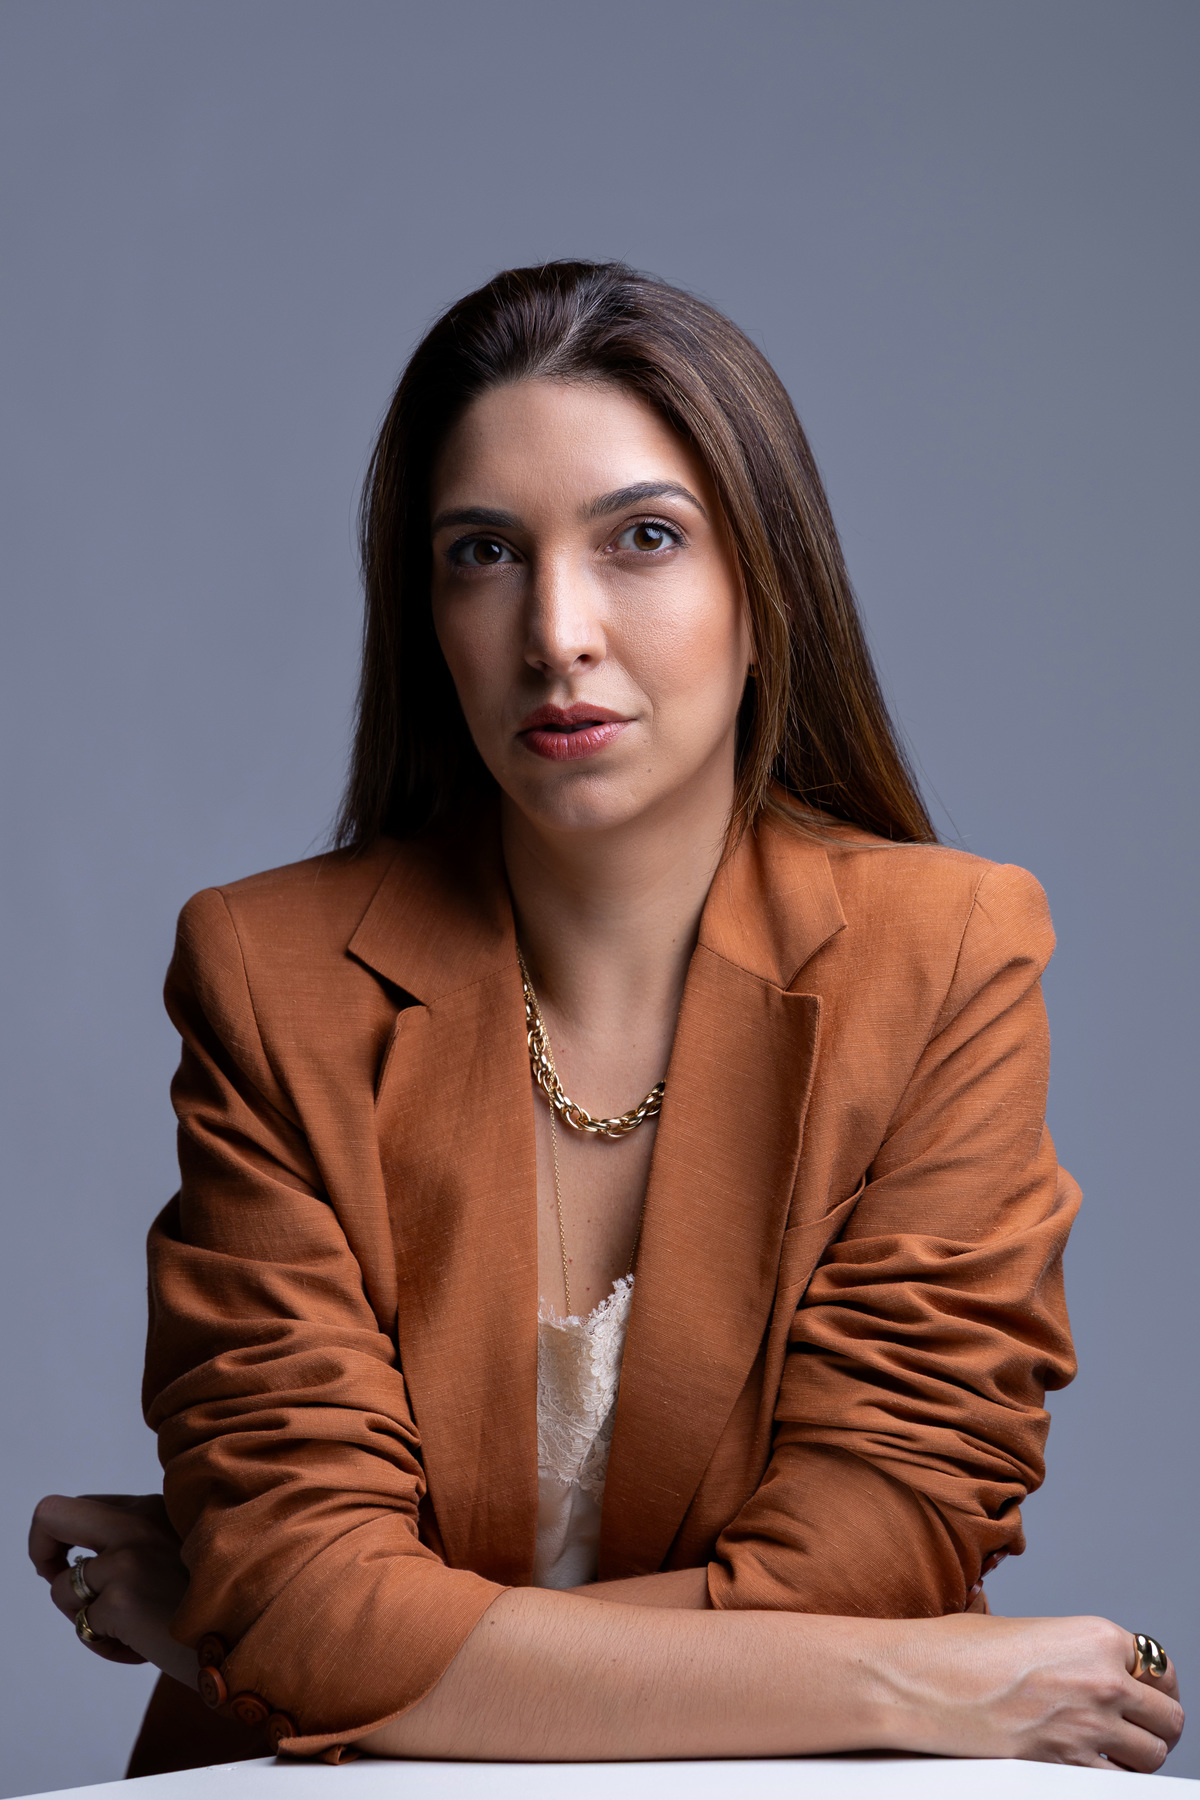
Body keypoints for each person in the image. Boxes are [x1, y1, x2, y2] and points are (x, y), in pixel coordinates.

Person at [30, 262, 1182, 1773]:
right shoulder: (269, 973)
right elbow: (307, 1596)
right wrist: (908, 1683)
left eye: (644, 537)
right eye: (484, 553)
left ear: (765, 590)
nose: (556, 631)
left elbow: (882, 1549)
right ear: (427, 616)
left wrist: (270, 1643)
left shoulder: (946, 956)